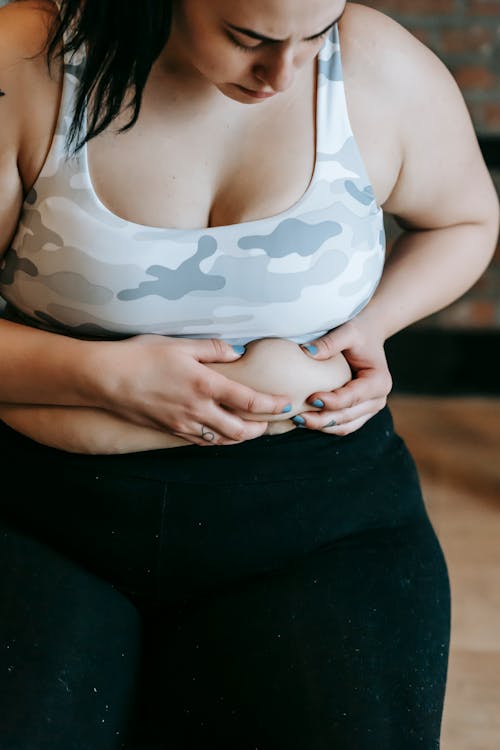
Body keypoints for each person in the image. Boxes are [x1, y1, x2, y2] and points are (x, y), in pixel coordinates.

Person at [0, 0, 498, 747]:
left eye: (313, 36)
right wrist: (105, 376)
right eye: (250, 39)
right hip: (41, 511)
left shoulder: (377, 66)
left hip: (320, 517)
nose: (284, 73)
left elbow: (464, 220)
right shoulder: (29, 60)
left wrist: (373, 322)